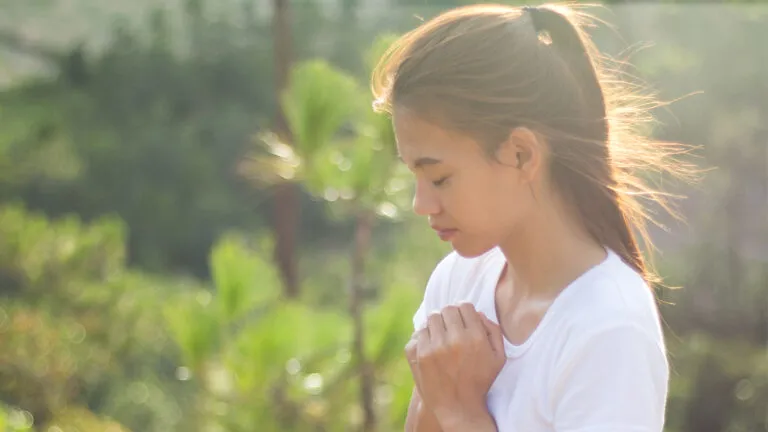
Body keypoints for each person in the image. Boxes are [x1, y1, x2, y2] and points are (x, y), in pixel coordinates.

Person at [370, 3, 692, 432]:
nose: (421, 204)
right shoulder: (459, 282)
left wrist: (461, 411)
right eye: (416, 176)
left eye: (440, 178)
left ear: (521, 154)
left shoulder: (609, 330)